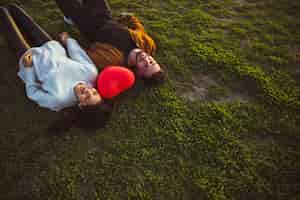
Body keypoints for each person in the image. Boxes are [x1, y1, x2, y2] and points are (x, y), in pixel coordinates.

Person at [0, 4, 112, 130]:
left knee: (3, 13)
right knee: (15, 9)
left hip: (31, 59)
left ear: (80, 105)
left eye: (87, 97)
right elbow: (78, 55)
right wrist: (68, 40)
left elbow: (33, 92)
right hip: (50, 46)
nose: (88, 90)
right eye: (94, 92)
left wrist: (28, 69)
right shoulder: (91, 74)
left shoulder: (58, 100)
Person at [54, 0, 166, 84]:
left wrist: (68, 41)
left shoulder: (112, 59)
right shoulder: (148, 45)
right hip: (106, 17)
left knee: (69, 4)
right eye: (152, 62)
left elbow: (83, 55)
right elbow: (140, 29)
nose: (146, 59)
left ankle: (69, 16)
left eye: (145, 66)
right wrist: (131, 19)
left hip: (88, 25)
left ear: (138, 73)